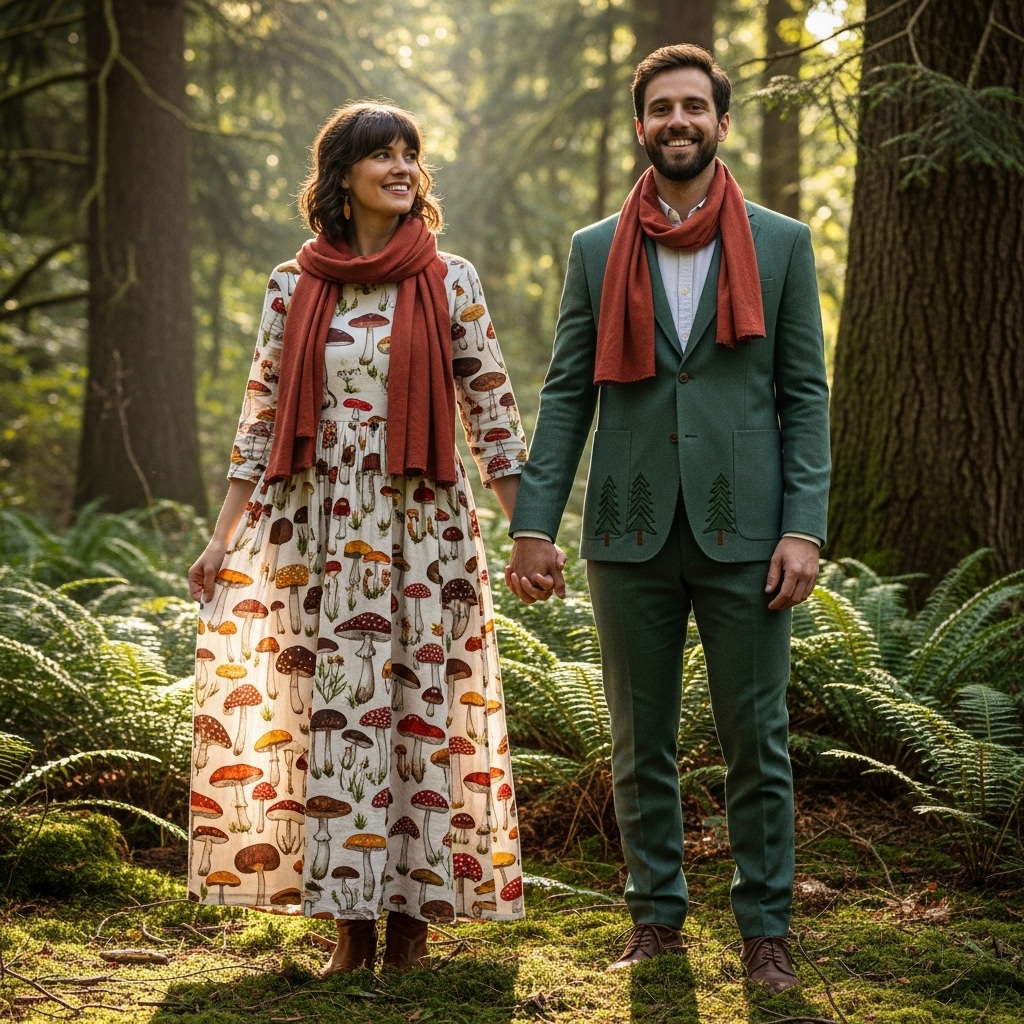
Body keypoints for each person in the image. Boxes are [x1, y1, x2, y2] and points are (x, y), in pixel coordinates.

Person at [506, 45, 830, 993]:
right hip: (628, 529)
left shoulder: (781, 244)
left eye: (695, 106)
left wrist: (804, 528)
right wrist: (534, 522)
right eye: (661, 108)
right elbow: (567, 393)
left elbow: (804, 398)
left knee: (755, 740)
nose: (678, 120)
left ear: (720, 123)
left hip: (750, 534)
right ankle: (655, 919)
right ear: (640, 125)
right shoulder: (596, 250)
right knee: (637, 738)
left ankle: (766, 930)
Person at [188, 101, 527, 976]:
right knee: (329, 719)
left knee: (421, 712)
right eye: (382, 153)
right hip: (318, 529)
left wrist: (530, 530)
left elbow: (492, 411)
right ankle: (349, 929)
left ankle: (414, 926)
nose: (403, 165)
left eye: (412, 152)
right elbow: (259, 422)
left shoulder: (451, 279)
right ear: (341, 176)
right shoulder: (291, 286)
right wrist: (222, 540)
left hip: (424, 530)